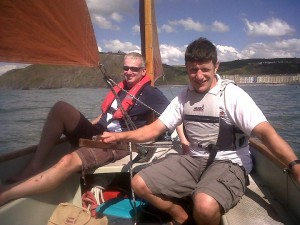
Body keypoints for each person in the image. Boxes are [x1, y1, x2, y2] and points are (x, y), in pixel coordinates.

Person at [100, 38, 300, 225]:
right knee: (139, 183)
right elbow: (154, 130)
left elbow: (266, 133)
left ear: (216, 66)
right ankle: (180, 216)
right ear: (187, 68)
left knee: (204, 206)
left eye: (205, 69)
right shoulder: (183, 97)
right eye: (193, 70)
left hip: (230, 162)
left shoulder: (232, 95)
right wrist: (118, 136)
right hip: (194, 159)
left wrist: (294, 164)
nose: (199, 76)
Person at [0, 52, 169, 206]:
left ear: (143, 71)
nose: (129, 72)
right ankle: (34, 166)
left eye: (134, 69)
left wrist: (174, 138)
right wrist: (85, 125)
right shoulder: (121, 87)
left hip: (117, 142)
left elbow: (172, 115)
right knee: (61, 107)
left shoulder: (151, 93)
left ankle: (7, 193)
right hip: (97, 131)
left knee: (67, 161)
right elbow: (105, 115)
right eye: (126, 68)